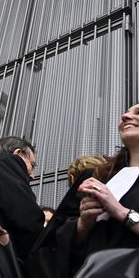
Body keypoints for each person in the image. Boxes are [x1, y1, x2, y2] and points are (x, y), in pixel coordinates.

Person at [28, 104, 139, 277]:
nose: (125, 116)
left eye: (137, 113)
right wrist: (82, 225)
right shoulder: (96, 177)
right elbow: (52, 246)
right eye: (126, 112)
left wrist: (121, 212)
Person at [0, 136, 45, 265]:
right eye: (32, 165)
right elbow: (28, 221)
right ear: (18, 154)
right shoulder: (7, 165)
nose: (32, 176)